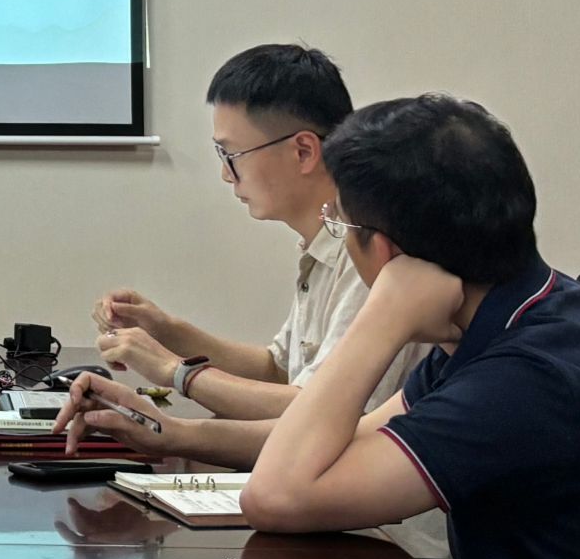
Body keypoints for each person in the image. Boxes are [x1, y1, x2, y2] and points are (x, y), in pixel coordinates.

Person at [239, 95, 580, 559]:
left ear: (388, 251)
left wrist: (382, 317)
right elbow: (344, 447)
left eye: (341, 224)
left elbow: (276, 497)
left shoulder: (527, 376)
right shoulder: (527, 311)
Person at [87, 45, 424, 434]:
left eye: (231, 154)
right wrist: (164, 330)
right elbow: (278, 370)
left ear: (303, 151)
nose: (226, 175)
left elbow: (324, 413)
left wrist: (173, 371)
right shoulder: (325, 239)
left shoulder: (368, 250)